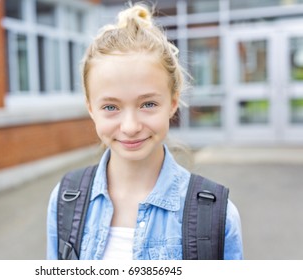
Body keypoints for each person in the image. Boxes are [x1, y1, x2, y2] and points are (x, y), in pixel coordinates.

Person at [46, 3, 243, 260]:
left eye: (148, 104)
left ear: (173, 102)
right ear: (91, 108)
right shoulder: (64, 202)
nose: (130, 127)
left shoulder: (217, 215)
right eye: (110, 106)